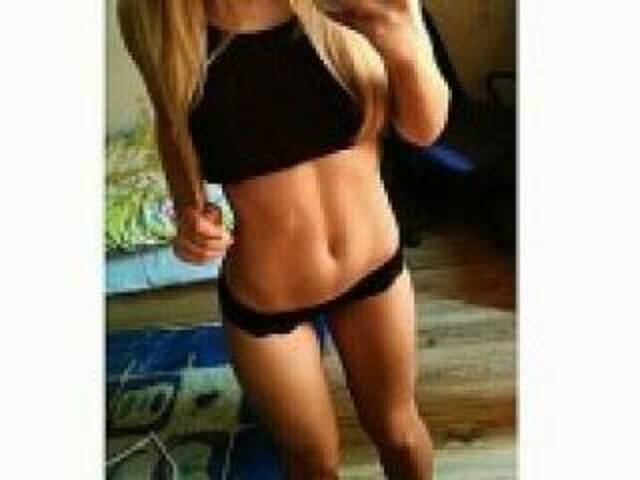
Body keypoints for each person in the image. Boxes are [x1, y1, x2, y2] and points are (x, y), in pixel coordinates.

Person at [118, 1, 449, 478]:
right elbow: (171, 123)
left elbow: (424, 130)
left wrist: (400, 33)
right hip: (267, 302)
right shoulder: (158, 16)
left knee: (398, 432)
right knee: (312, 461)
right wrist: (188, 210)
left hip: (374, 272)